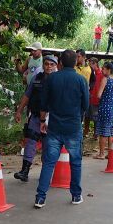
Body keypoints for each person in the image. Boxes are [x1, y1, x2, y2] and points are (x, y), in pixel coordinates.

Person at [35, 49, 89, 208]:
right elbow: (85, 105)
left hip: (55, 127)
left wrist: (43, 120)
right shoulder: (81, 80)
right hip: (73, 127)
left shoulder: (51, 79)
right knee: (76, 162)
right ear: (75, 63)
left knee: (49, 163)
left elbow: (43, 103)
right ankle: (76, 196)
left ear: (60, 62)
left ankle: (40, 197)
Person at [13, 55, 58, 182]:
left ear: (56, 66)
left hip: (51, 119)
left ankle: (46, 173)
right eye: (46, 64)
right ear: (43, 65)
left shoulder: (58, 80)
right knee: (30, 142)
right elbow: (27, 95)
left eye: (52, 64)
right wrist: (19, 111)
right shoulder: (37, 78)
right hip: (36, 116)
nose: (49, 66)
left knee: (48, 146)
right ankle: (24, 171)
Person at [93, 61, 113, 160]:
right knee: (110, 132)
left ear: (109, 70)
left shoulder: (105, 79)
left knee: (103, 132)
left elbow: (99, 95)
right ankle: (110, 153)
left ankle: (101, 154)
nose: (102, 70)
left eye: (104, 69)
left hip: (105, 107)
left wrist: (106, 97)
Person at [84, 57, 102, 137]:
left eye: (90, 64)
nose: (89, 66)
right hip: (88, 97)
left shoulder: (100, 74)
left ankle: (96, 133)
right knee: (87, 116)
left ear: (95, 64)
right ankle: (86, 131)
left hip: (96, 99)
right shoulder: (89, 72)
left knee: (96, 117)